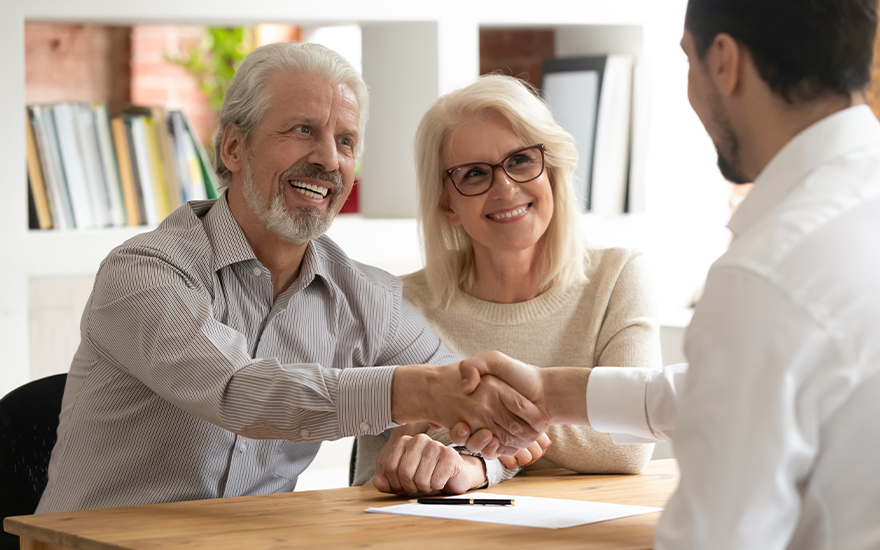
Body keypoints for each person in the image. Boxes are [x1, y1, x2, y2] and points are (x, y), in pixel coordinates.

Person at [36, 42, 548, 514]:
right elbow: (239, 390)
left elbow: (482, 414)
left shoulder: (368, 298)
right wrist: (420, 392)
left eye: (345, 140)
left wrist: (471, 461)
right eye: (303, 129)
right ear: (234, 149)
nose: (328, 158)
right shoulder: (143, 273)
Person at [458, 0, 880, 548]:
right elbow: (759, 386)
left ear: (724, 62)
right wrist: (553, 392)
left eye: (687, 60)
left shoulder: (767, 274)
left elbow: (714, 537)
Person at [353, 74, 662, 496]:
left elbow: (629, 443)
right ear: (447, 203)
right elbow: (376, 473)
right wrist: (499, 444)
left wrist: (479, 445)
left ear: (551, 168)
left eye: (520, 161)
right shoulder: (398, 305)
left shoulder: (618, 277)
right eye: (475, 174)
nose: (506, 188)